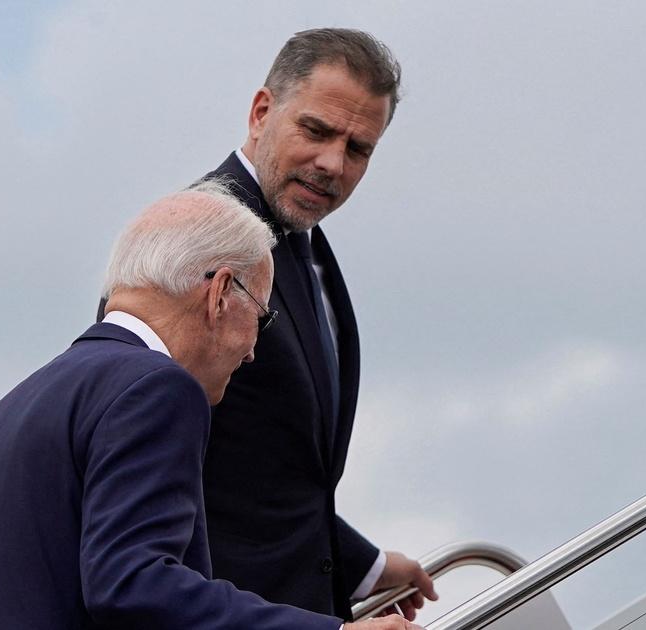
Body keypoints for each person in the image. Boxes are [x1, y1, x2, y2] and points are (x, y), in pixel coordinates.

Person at [0, 183, 423, 629]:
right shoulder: (158, 387)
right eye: (263, 317)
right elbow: (134, 584)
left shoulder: (15, 407)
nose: (254, 350)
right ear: (219, 294)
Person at [200, 28, 438, 621]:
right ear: (261, 113)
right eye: (317, 131)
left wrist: (364, 566)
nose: (333, 163)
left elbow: (268, 478)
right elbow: (146, 468)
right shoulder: (193, 239)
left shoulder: (302, 243)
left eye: (359, 149)